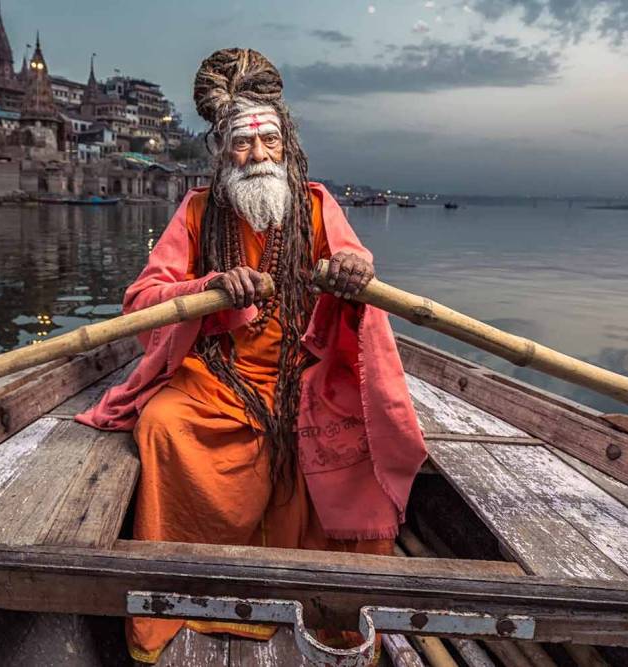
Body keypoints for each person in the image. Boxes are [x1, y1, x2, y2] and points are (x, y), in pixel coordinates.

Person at [76, 48, 427, 664]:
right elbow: (142, 302)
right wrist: (206, 290)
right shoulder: (196, 212)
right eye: (242, 144)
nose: (258, 156)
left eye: (269, 141)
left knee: (353, 434)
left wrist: (353, 268)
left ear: (286, 142)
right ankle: (188, 601)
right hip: (218, 377)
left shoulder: (318, 205)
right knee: (163, 425)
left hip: (307, 374)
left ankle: (327, 605)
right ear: (220, 149)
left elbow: (360, 268)